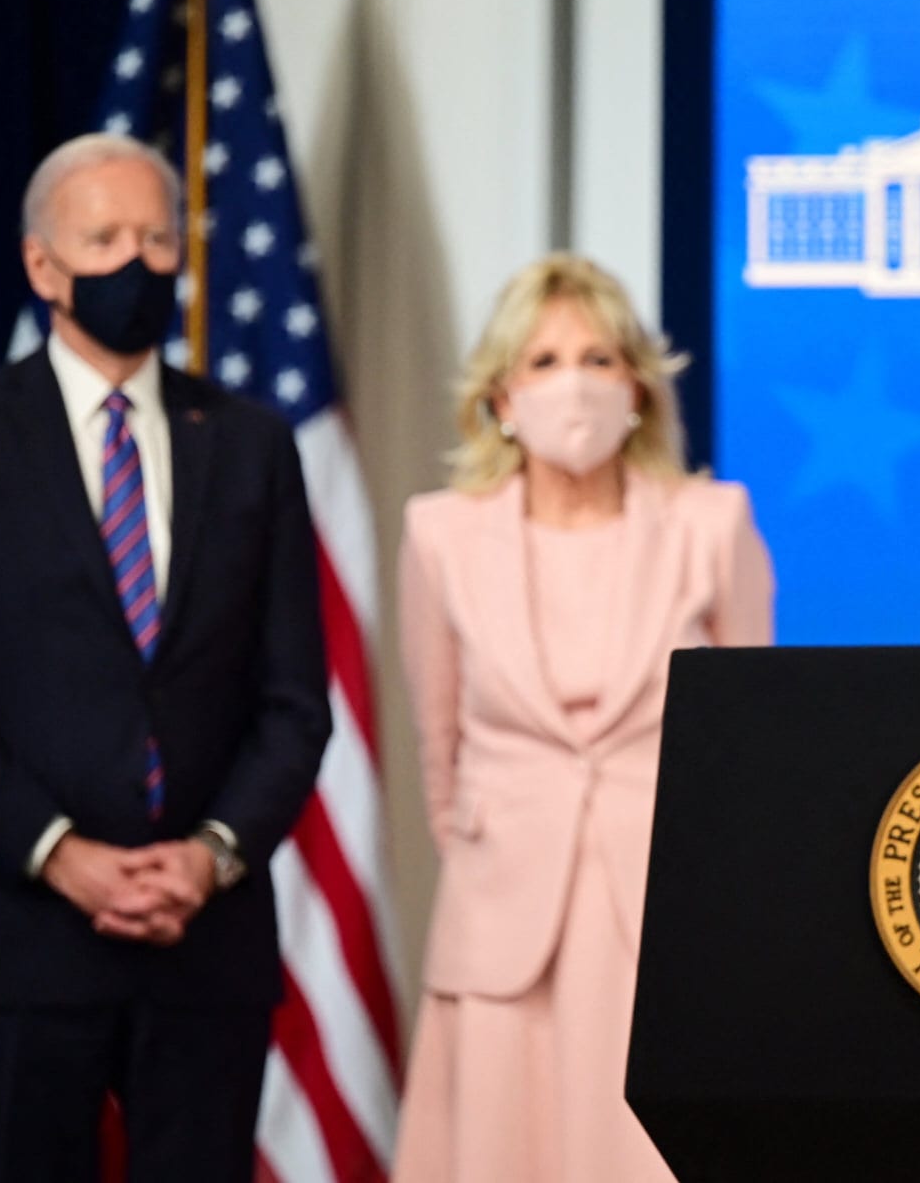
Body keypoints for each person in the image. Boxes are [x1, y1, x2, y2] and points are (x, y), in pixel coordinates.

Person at [0, 133, 331, 1181]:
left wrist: (210, 855)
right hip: (19, 944)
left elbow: (294, 702)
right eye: (107, 238)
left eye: (159, 238)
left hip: (203, 946)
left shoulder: (252, 440)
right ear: (44, 266)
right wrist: (62, 854)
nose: (139, 260)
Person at [391, 254, 774, 1182]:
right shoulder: (439, 534)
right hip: (502, 930)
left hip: (665, 928)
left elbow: (757, 748)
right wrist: (496, 854)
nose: (575, 384)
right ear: (500, 395)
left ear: (639, 387)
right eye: (546, 360)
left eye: (600, 359)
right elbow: (436, 749)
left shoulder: (712, 524)